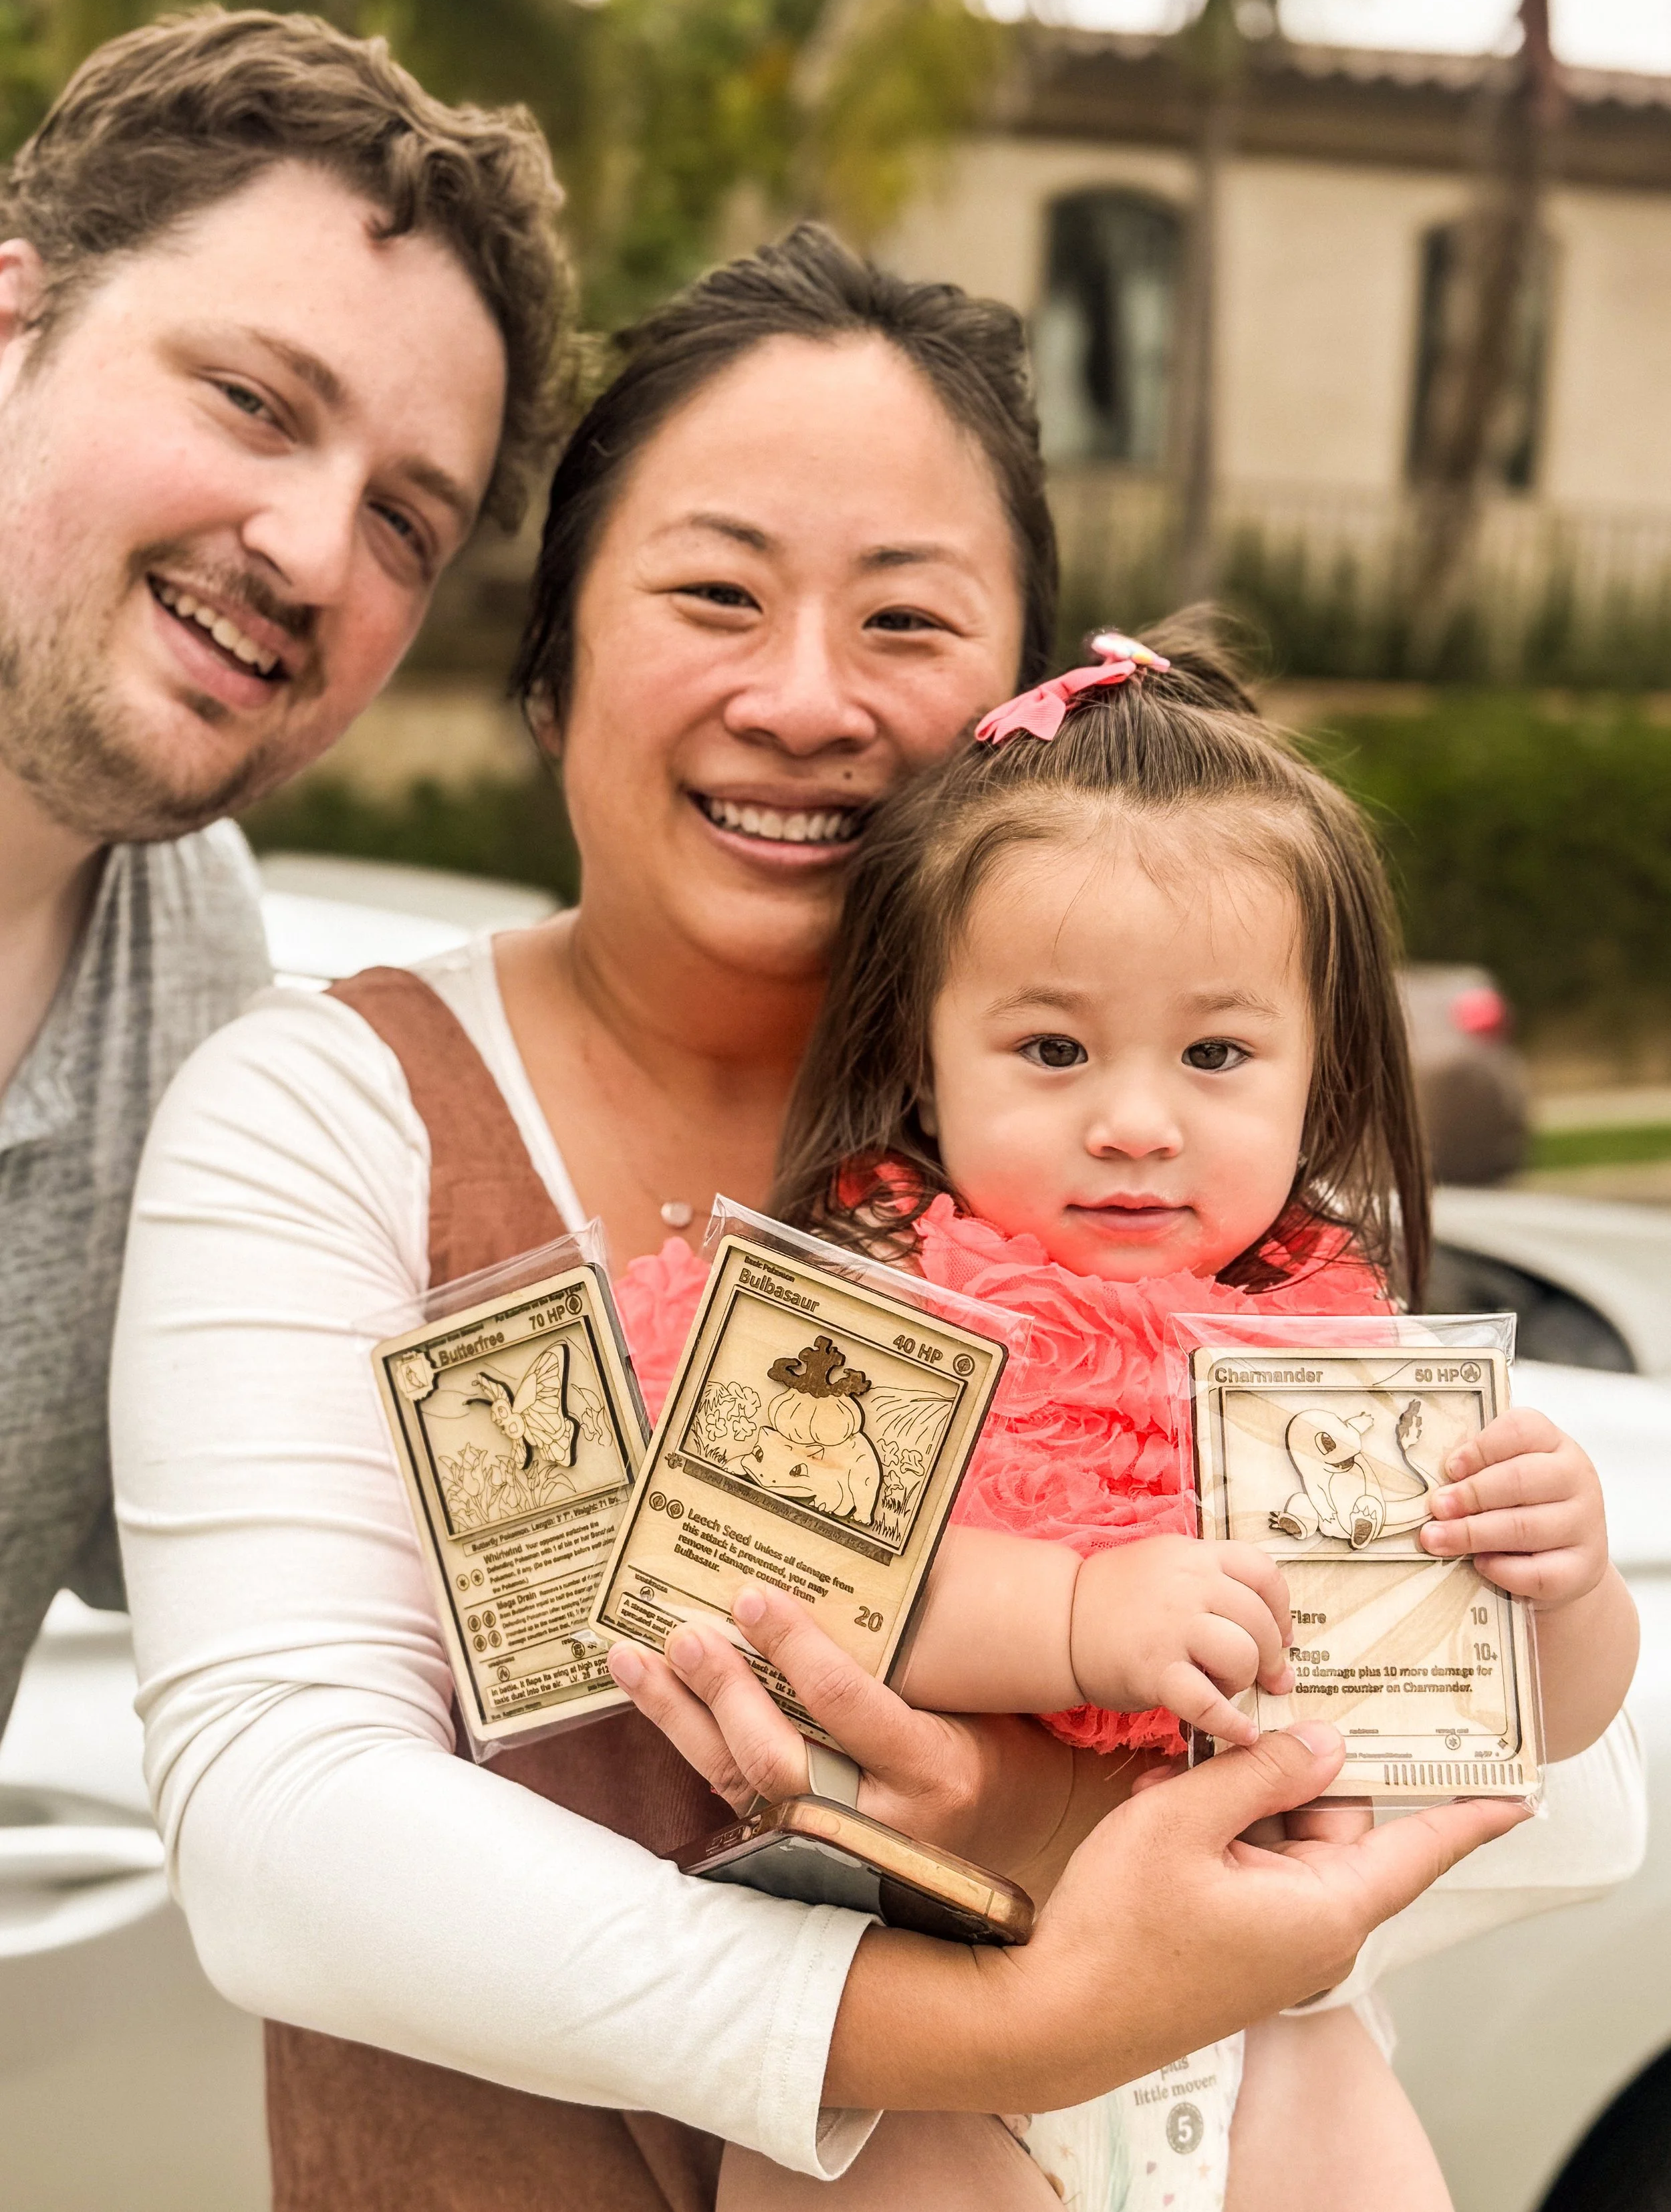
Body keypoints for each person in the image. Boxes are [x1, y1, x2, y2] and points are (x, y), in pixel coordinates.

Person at [112, 227, 1529, 2211]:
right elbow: (284, 1835)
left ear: (1029, 693)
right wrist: (1014, 2018)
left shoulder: (1186, 1163)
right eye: (711, 594)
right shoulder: (329, 1113)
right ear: (553, 660)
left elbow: (1544, 1775)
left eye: (904, 620)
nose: (802, 699)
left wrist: (1042, 1800)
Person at [611, 619, 1634, 2209]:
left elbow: (1532, 1722)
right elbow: (798, 1595)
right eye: (1050, 1046)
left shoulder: (1338, 1360)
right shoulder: (867, 1314)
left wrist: (1561, 1590)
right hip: (928, 2024)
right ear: (924, 1064)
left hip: (1268, 2029)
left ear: (1317, 1072)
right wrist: (1079, 1615)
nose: (1137, 1118)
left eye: (1217, 1050)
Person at [0, 7, 566, 1731]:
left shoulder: (191, 957)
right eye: (252, 401)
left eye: (404, 520)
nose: (314, 552)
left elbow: (322, 1552)